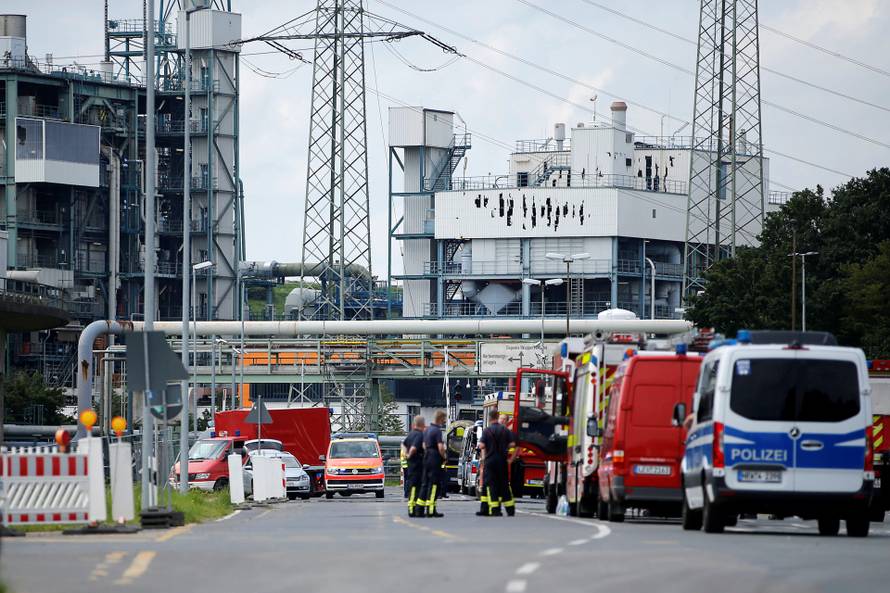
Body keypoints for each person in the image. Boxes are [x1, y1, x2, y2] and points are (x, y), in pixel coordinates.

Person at [477, 409, 518, 517]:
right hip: (502, 461)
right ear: (498, 416)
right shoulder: (505, 431)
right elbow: (514, 444)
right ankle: (510, 509)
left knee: (491, 485)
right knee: (504, 484)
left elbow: (481, 445)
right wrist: (510, 457)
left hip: (490, 461)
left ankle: (494, 509)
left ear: (490, 418)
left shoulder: (487, 431)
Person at [418, 410, 447, 518]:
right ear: (440, 419)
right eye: (444, 419)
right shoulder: (437, 431)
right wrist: (444, 457)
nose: (444, 421)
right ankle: (431, 510)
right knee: (434, 484)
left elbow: (424, 445)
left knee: (425, 483)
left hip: (427, 457)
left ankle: (420, 509)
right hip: (435, 458)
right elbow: (440, 447)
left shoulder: (427, 430)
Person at [402, 415, 426, 517]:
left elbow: (403, 445)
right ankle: (415, 510)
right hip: (418, 466)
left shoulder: (410, 434)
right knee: (418, 488)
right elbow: (414, 448)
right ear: (423, 424)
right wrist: (410, 455)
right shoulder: (420, 435)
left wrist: (406, 455)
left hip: (411, 466)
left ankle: (412, 509)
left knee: (413, 488)